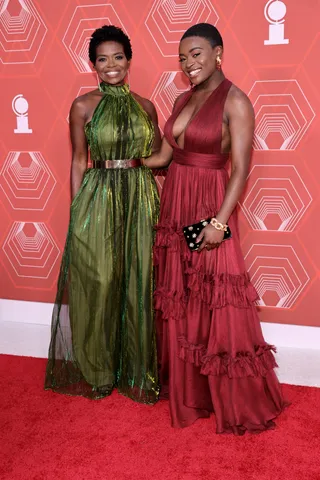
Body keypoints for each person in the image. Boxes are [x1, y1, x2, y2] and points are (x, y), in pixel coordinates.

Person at [144, 23, 288, 433]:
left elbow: (241, 170)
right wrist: (122, 164)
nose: (190, 63)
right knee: (183, 293)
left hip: (210, 206)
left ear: (218, 52)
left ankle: (234, 399)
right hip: (177, 201)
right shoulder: (182, 97)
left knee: (217, 292)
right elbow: (165, 156)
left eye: (197, 53)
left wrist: (219, 223)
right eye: (183, 57)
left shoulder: (236, 101)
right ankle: (190, 393)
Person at [45, 25, 161, 404]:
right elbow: (79, 159)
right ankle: (98, 370)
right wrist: (79, 208)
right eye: (102, 59)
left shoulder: (147, 106)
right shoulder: (82, 105)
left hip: (140, 196)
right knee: (100, 282)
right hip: (98, 195)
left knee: (139, 281)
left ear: (129, 60)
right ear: (92, 64)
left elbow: (159, 155)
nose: (111, 66)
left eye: (118, 57)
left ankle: (136, 368)